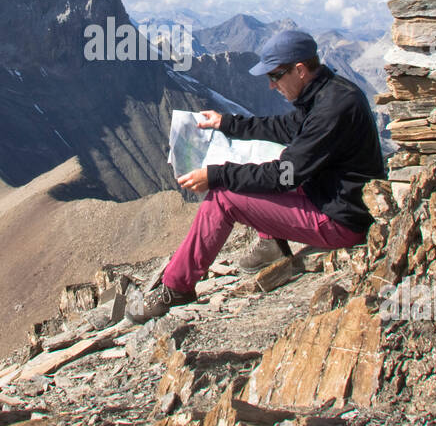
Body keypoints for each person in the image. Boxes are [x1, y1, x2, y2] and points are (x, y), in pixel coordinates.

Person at [127, 29, 387, 322]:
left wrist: (216, 175)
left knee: (224, 196)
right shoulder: (328, 91)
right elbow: (285, 128)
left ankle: (175, 288)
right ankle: (272, 243)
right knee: (263, 157)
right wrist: (227, 123)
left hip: (340, 220)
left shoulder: (332, 109)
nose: (271, 86)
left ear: (299, 70)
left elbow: (283, 176)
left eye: (275, 76)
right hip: (328, 194)